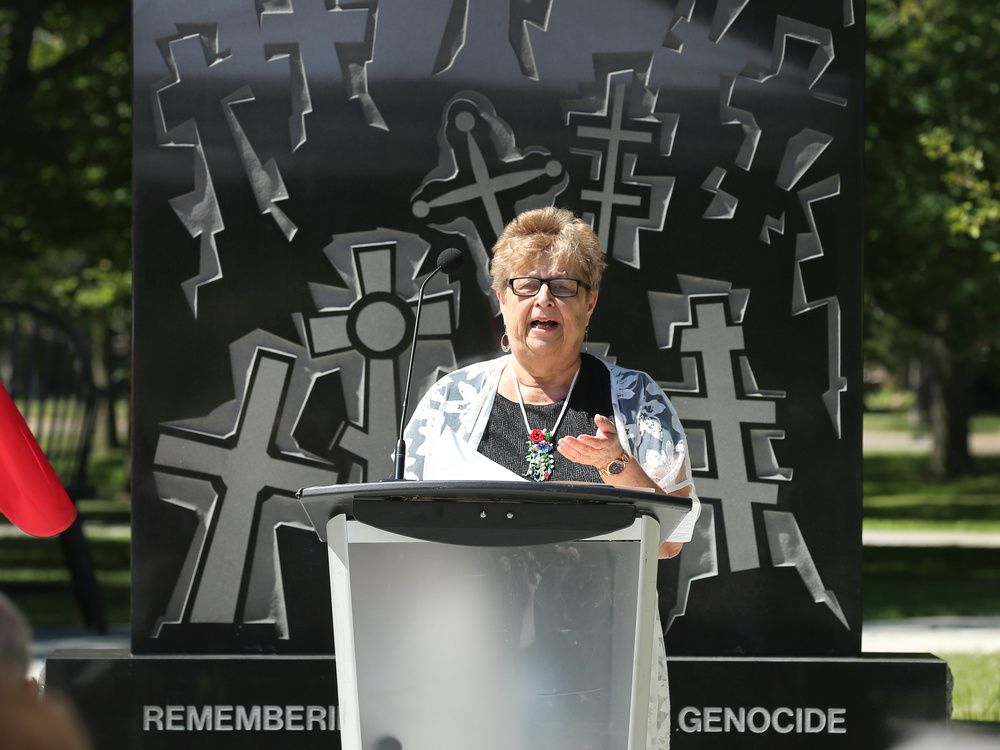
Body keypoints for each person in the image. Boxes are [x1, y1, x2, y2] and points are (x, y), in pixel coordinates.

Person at [402, 207, 700, 748]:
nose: (544, 299)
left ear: (590, 302)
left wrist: (615, 462)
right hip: (471, 660)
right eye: (526, 285)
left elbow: (673, 540)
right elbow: (402, 532)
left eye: (564, 285)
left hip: (598, 665)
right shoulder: (449, 402)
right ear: (502, 298)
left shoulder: (633, 400)